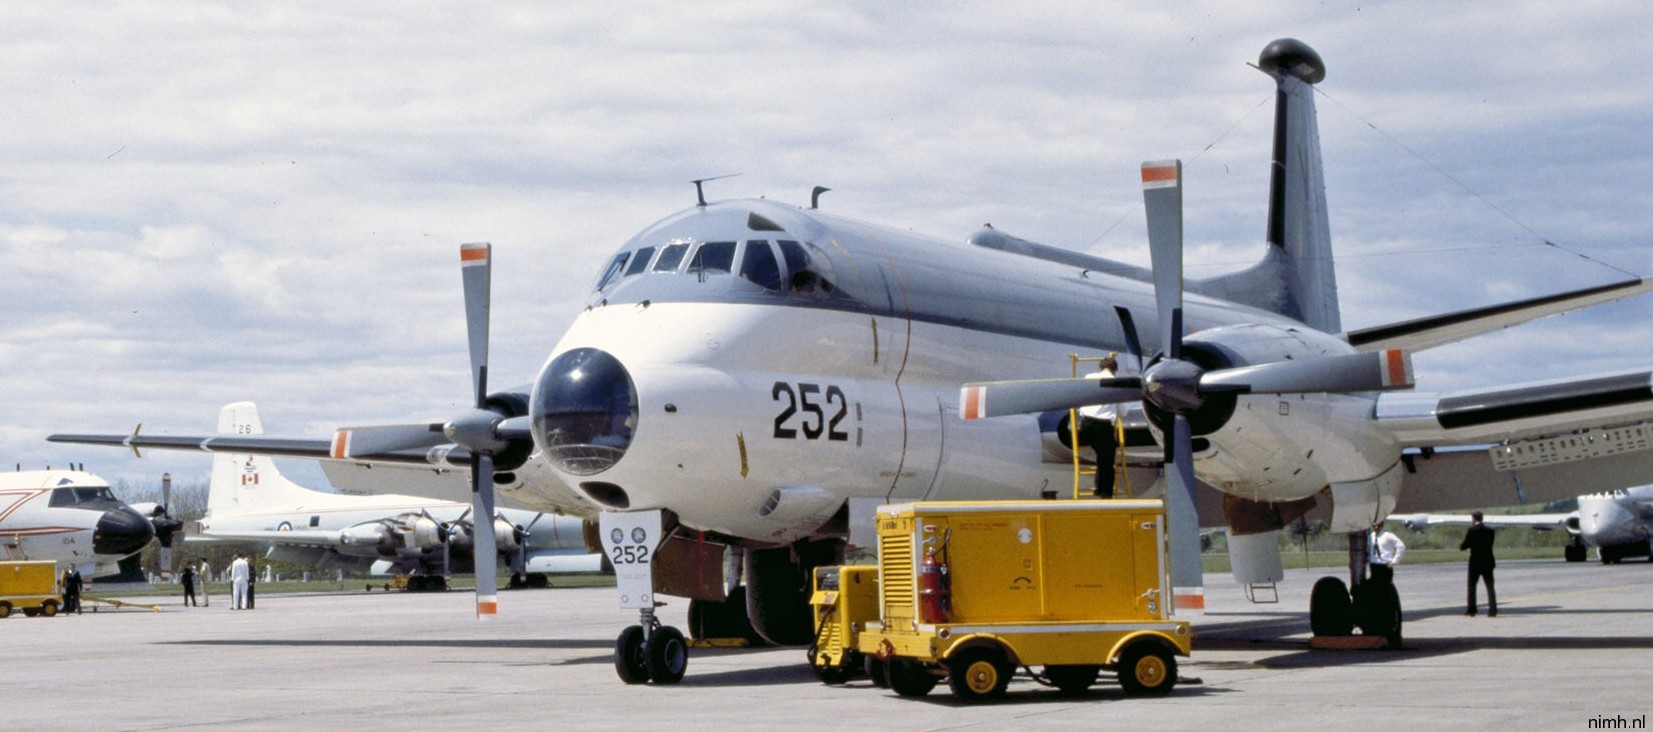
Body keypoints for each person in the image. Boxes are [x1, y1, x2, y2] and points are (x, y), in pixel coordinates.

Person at [1075, 355, 1121, 499]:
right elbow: (1124, 411)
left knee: (1102, 457)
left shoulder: (1088, 377)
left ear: (1101, 367)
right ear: (1115, 370)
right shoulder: (1117, 383)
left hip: (1085, 426)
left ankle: (1098, 488)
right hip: (1102, 427)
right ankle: (1104, 492)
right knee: (1106, 461)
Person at [1460, 511, 1497, 616]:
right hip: (1488, 560)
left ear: (1474, 519)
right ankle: (1492, 610)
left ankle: (1472, 610)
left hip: (1475, 561)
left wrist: (1462, 546)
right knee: (1490, 586)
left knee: (1472, 586)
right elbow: (1490, 544)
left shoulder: (1472, 530)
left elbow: (1465, 545)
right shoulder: (1490, 531)